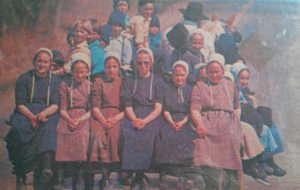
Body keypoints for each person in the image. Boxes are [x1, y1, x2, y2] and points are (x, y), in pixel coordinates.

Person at [5, 48, 60, 190]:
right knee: (19, 128)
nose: (42, 65)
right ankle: (23, 166)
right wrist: (31, 116)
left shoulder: (55, 81)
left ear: (50, 64)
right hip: (26, 111)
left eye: (45, 62)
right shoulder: (24, 78)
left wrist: (44, 114)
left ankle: (46, 167)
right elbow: (20, 104)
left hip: (47, 111)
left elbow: (56, 104)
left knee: (49, 127)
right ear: (34, 62)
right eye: (39, 61)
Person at [190, 53, 243, 190]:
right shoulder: (199, 86)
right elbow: (195, 110)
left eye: (217, 72)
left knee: (232, 136)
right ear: (207, 72)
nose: (214, 75)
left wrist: (235, 119)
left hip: (227, 120)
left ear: (223, 71)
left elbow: (237, 106)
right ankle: (210, 180)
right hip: (207, 119)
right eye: (211, 72)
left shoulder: (230, 85)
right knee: (203, 139)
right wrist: (199, 124)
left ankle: (231, 178)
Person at [231, 62, 286, 177]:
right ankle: (261, 161)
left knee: (271, 125)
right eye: (241, 78)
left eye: (246, 78)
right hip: (238, 119)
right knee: (264, 128)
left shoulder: (241, 90)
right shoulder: (232, 88)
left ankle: (268, 161)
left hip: (246, 116)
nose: (244, 81)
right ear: (235, 76)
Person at [120, 47, 164, 189]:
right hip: (133, 113)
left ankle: (138, 176)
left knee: (148, 135)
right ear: (135, 64)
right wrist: (134, 119)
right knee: (129, 132)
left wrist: (144, 121)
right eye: (139, 63)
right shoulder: (129, 80)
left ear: (151, 63)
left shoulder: (158, 81)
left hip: (151, 116)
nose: (143, 66)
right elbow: (127, 105)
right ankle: (129, 170)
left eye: (146, 62)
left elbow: (158, 108)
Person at [156, 61, 195, 189]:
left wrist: (183, 122)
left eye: (182, 75)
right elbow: (165, 109)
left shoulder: (190, 90)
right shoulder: (166, 88)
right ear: (172, 75)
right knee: (164, 136)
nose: (179, 78)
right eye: (176, 75)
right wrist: (172, 122)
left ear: (186, 76)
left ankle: (181, 175)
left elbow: (191, 110)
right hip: (169, 119)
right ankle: (164, 172)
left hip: (185, 120)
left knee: (185, 138)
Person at [55, 54, 91, 190]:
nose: (79, 75)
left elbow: (91, 109)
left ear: (87, 72)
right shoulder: (65, 85)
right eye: (76, 72)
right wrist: (69, 119)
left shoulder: (89, 86)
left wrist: (80, 119)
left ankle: (79, 175)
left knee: (82, 135)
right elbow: (62, 108)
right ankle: (60, 175)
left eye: (82, 72)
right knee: (61, 131)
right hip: (68, 115)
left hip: (84, 116)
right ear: (72, 71)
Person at [89, 51, 124, 189]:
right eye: (108, 67)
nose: (111, 70)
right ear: (104, 67)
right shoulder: (98, 82)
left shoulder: (122, 83)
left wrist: (115, 119)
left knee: (114, 136)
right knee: (98, 135)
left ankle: (111, 173)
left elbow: (125, 107)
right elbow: (95, 106)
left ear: (118, 68)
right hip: (101, 114)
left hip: (118, 114)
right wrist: (103, 120)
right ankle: (103, 175)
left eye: (114, 67)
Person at [106, 10, 133, 74]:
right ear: (110, 26)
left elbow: (127, 63)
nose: (116, 28)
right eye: (114, 25)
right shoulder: (105, 40)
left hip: (120, 73)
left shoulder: (126, 43)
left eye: (119, 26)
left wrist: (123, 68)